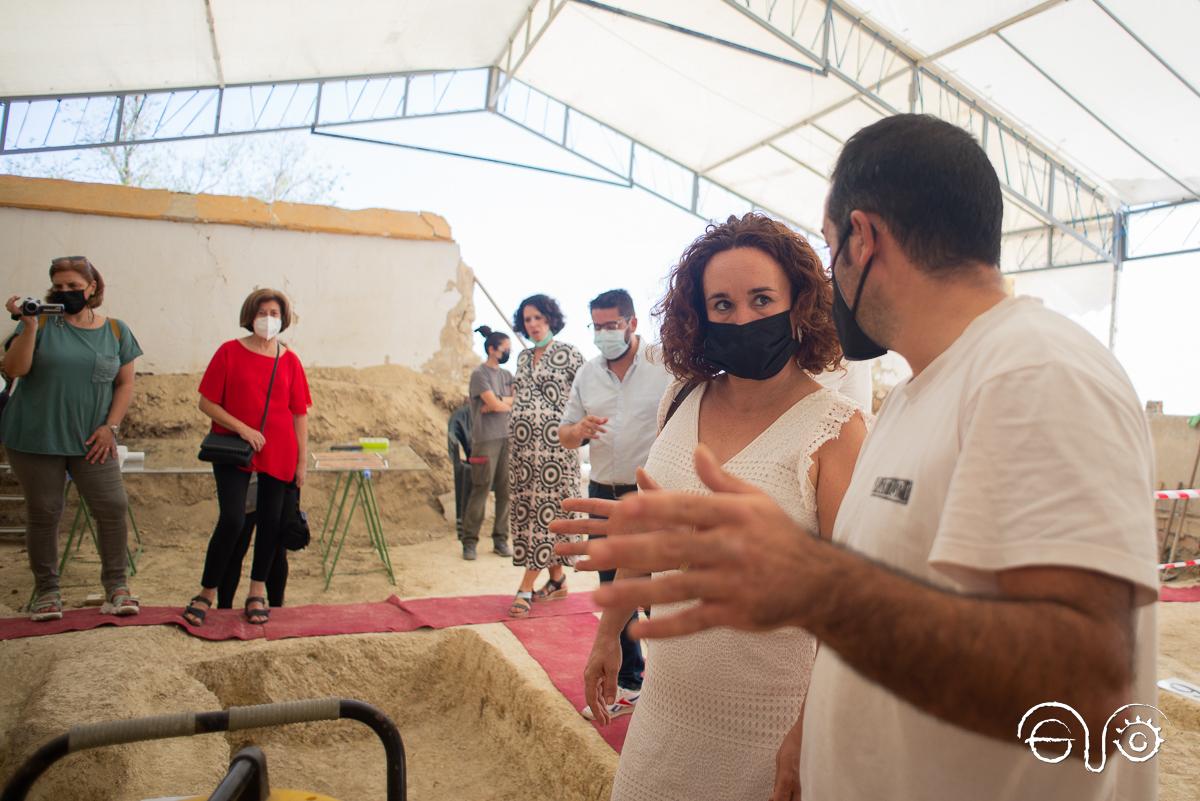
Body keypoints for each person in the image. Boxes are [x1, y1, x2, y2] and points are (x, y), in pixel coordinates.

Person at [560, 114, 1159, 801]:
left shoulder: (1036, 371)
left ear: (862, 238)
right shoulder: (917, 398)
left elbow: (1085, 694)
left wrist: (816, 582)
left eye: (829, 242)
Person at [552, 215, 867, 801]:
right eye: (722, 304)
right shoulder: (681, 399)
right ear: (700, 315)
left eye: (761, 299)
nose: (742, 318)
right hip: (667, 712)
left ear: (799, 304)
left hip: (771, 726)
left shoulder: (835, 431)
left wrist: (808, 734)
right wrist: (607, 635)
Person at [1, 256, 143, 621]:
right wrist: (29, 325)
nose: (65, 293)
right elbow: (15, 370)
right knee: (45, 513)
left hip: (93, 440)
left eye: (73, 287)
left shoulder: (116, 330)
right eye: (58, 286)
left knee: (112, 507)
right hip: (36, 437)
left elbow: (125, 384)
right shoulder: (41, 323)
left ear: (92, 287)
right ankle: (47, 592)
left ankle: (117, 587)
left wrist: (110, 426)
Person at [557, 288, 670, 720]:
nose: (604, 334)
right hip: (604, 492)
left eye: (611, 326)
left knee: (657, 587)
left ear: (632, 323)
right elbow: (565, 435)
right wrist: (579, 430)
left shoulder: (663, 365)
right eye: (597, 327)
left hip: (652, 494)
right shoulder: (588, 375)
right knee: (613, 587)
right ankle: (629, 682)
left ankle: (667, 684)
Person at [182, 288, 311, 626]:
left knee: (270, 524)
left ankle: (257, 592)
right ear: (250, 315)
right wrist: (243, 429)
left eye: (275, 313)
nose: (269, 319)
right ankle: (206, 592)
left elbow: (300, 414)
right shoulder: (229, 352)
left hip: (281, 451)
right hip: (234, 448)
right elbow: (207, 403)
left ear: (283, 319)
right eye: (263, 312)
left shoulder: (291, 360)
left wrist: (301, 462)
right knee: (233, 520)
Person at [506, 293, 584, 618]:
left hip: (554, 455)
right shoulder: (523, 358)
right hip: (524, 456)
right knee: (530, 516)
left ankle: (525, 586)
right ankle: (557, 580)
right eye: (527, 320)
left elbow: (584, 399)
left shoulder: (570, 354)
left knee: (547, 517)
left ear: (550, 318)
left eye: (538, 318)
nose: (533, 325)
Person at [461, 325, 514, 560]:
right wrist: (499, 403)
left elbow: (516, 400)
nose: (507, 352)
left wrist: (498, 401)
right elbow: (493, 405)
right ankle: (469, 541)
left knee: (506, 491)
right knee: (481, 489)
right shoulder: (479, 375)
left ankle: (500, 540)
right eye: (505, 348)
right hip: (485, 441)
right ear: (493, 349)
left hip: (508, 439)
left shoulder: (507, 376)